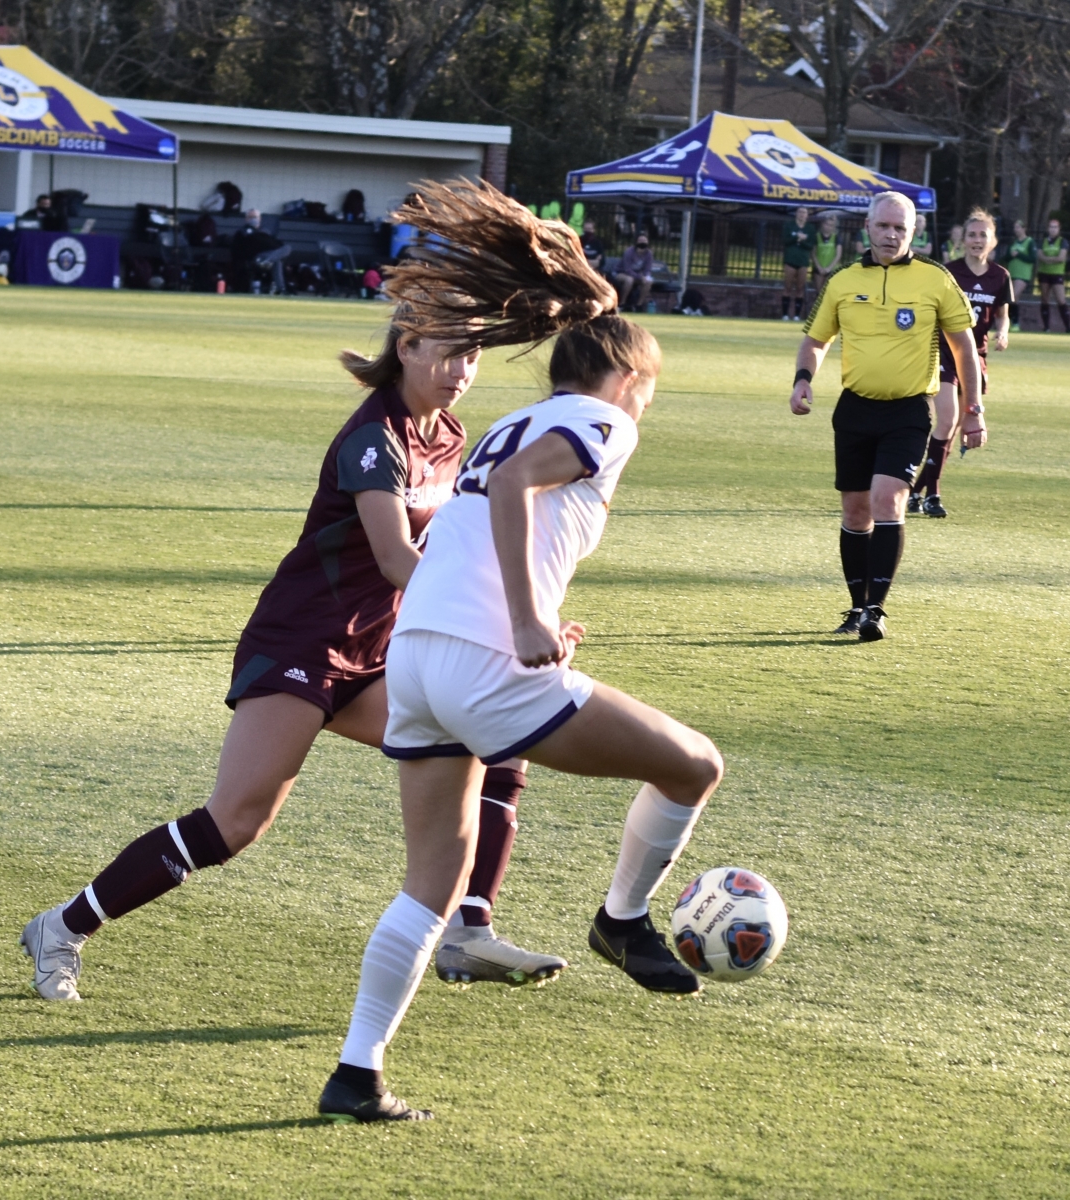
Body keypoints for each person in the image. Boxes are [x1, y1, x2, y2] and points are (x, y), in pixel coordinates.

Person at [315, 180, 724, 1123]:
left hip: (415, 655)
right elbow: (514, 503)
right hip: (477, 659)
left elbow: (480, 526)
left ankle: (356, 1073)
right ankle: (621, 920)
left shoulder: (508, 423)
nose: (647, 407)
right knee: (695, 765)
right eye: (651, 389)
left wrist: (531, 609)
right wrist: (530, 624)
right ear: (628, 380)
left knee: (431, 884)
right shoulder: (600, 420)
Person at [19, 314, 569, 1004]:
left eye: (474, 358)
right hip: (301, 644)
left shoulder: (449, 437)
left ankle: (469, 929)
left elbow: (450, 551)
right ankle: (61, 929)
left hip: (375, 652)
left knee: (491, 735)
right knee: (235, 822)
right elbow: (399, 559)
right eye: (451, 355)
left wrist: (526, 614)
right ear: (407, 348)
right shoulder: (376, 438)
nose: (462, 373)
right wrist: (507, 619)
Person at [790, 191, 982, 642]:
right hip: (855, 409)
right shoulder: (842, 280)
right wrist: (802, 379)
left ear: (913, 232)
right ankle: (856, 606)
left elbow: (965, 349)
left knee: (888, 499)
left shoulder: (934, 279)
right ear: (868, 228)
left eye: (901, 228)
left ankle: (877, 609)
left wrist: (973, 411)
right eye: (884, 226)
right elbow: (816, 340)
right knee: (856, 513)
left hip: (909, 410)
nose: (892, 234)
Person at [909, 208, 1009, 518]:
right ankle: (933, 496)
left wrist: (1003, 334)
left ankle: (913, 492)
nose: (977, 240)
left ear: (992, 241)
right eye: (972, 234)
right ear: (962, 240)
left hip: (975, 357)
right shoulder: (947, 271)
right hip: (943, 353)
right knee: (948, 418)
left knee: (952, 430)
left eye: (983, 235)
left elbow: (1003, 315)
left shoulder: (999, 276)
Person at [231, 209, 291, 294]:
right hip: (255, 258)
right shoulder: (243, 232)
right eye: (250, 217)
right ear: (246, 219)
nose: (253, 219)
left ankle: (281, 290)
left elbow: (274, 243)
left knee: (285, 249)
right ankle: (266, 260)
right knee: (281, 253)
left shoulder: (265, 232)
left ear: (260, 219)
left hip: (268, 257)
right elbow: (254, 244)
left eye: (255, 217)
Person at [1035, 217, 1069, 332]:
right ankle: (1046, 327)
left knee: (1061, 300)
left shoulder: (1062, 241)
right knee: (1044, 299)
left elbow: (1061, 258)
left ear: (1059, 229)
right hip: (1044, 273)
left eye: (1055, 227)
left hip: (1057, 274)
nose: (1053, 229)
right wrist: (1051, 259)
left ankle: (1068, 326)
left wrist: (1048, 259)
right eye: (1051, 227)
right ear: (1047, 228)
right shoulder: (1043, 241)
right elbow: (1040, 256)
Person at [781, 206, 812, 320]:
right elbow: (785, 241)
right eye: (800, 212)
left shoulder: (810, 228)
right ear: (796, 214)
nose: (802, 214)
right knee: (788, 287)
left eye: (804, 212)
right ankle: (785, 314)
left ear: (807, 215)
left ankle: (797, 315)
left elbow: (810, 245)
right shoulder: (789, 226)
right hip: (790, 260)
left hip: (803, 261)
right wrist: (796, 238)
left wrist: (802, 241)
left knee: (800, 288)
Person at [1004, 219, 1036, 331]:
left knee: (1012, 296)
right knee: (1014, 299)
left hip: (1023, 275)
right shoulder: (1013, 242)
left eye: (1018, 227)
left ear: (1024, 229)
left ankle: (1011, 321)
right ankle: (1015, 323)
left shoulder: (1029, 241)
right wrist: (1011, 255)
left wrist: (1019, 254)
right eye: (1015, 227)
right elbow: (1006, 257)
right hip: (1012, 273)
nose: (1016, 230)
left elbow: (1032, 258)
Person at [614, 233, 654, 310]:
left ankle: (639, 305)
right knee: (629, 280)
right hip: (621, 273)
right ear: (636, 242)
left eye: (644, 241)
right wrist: (640, 277)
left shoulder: (649, 254)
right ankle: (622, 304)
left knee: (649, 281)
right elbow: (627, 269)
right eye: (640, 240)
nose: (642, 243)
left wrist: (645, 277)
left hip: (636, 275)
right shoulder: (629, 252)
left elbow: (647, 269)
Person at [810, 212, 842, 297]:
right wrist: (819, 267)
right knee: (819, 293)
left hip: (831, 269)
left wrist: (829, 268)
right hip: (819, 268)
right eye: (827, 224)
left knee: (828, 294)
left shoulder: (836, 237)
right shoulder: (816, 236)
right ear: (822, 224)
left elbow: (838, 254)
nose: (828, 227)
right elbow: (813, 253)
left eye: (831, 225)